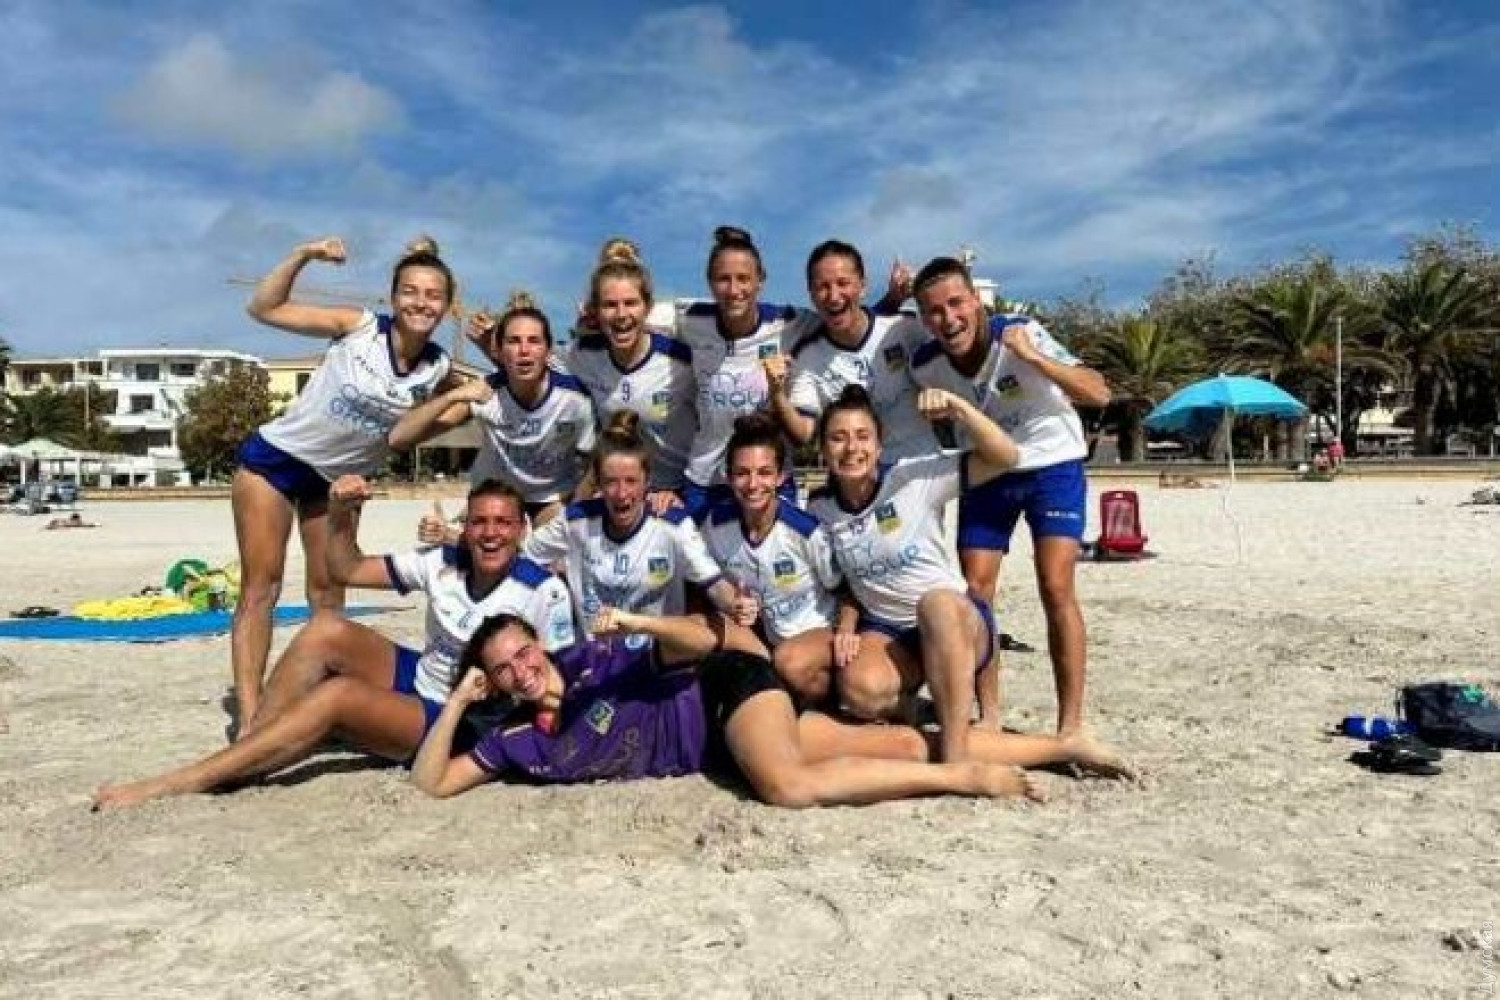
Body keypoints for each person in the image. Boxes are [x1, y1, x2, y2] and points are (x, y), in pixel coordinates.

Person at [91, 476, 577, 809]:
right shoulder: (443, 561)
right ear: (465, 527)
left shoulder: (542, 592)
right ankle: (251, 748)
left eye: (503, 523)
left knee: (337, 697)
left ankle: (192, 778)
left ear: (521, 530)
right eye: (480, 522)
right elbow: (346, 569)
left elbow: (563, 679)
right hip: (423, 673)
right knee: (325, 627)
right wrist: (343, 515)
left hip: (460, 715)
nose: (490, 534)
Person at [411, 609, 1130, 806]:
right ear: (493, 681)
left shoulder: (591, 660)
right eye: (503, 668)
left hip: (728, 691)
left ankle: (962, 777)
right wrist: (457, 702)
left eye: (523, 651)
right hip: (723, 747)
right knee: (902, 745)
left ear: (539, 643)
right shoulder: (515, 741)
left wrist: (639, 623)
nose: (522, 669)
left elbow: (705, 640)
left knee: (787, 788)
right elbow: (431, 783)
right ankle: (1063, 747)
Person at [230, 235, 456, 728]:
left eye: (433, 295)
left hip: (335, 482)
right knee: (262, 588)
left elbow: (445, 414)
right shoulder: (359, 327)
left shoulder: (439, 366)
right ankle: (249, 719)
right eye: (410, 292)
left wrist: (453, 403)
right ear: (393, 298)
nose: (421, 303)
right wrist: (304, 254)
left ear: (446, 306)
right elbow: (263, 308)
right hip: (276, 462)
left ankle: (312, 707)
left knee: (329, 594)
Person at [910, 257, 1110, 736]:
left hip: (1052, 464)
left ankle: (1070, 726)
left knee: (1056, 586)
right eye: (935, 311)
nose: (949, 318)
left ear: (976, 302)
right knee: (976, 592)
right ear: (924, 320)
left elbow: (1099, 393)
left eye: (956, 303)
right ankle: (990, 717)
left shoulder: (1018, 332)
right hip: (989, 470)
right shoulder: (925, 366)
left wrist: (1034, 357)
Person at [807, 384, 1020, 765]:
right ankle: (917, 709)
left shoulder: (914, 478)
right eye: (838, 438)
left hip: (955, 623)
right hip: (890, 632)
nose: (852, 448)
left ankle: (955, 751)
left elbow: (1006, 456)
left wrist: (959, 408)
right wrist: (847, 625)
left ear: (880, 445)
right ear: (822, 450)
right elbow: (842, 582)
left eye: (862, 436)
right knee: (859, 690)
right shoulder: (820, 508)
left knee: (935, 604)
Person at [521, 412, 753, 637]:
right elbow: (524, 557)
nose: (622, 493)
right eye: (611, 482)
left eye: (631, 481)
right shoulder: (575, 521)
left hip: (656, 651)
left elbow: (713, 583)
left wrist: (735, 604)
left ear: (647, 481)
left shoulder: (674, 525)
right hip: (595, 652)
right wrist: (552, 593)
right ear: (598, 483)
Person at [390, 291, 596, 527]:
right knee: (483, 542)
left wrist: (575, 506)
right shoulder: (485, 394)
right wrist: (453, 396)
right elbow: (400, 438)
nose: (524, 350)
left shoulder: (576, 399)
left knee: (556, 543)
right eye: (514, 341)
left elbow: (594, 463)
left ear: (549, 351)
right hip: (496, 496)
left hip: (551, 498)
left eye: (534, 341)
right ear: (498, 350)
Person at [701, 413, 849, 706]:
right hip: (764, 636)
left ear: (781, 477)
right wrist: (730, 602)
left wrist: (846, 633)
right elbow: (707, 581)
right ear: (728, 477)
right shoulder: (715, 525)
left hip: (818, 634)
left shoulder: (805, 530)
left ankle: (829, 703)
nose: (753, 483)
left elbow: (845, 590)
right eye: (742, 473)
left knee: (786, 665)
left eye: (764, 472)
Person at [766, 240, 938, 465]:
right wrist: (777, 394)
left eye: (843, 283)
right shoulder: (807, 358)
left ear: (862, 286)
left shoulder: (904, 328)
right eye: (822, 286)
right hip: (861, 478)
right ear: (811, 294)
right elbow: (807, 433)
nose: (833, 296)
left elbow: (955, 359)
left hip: (923, 470)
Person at [567, 239, 696, 510]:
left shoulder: (681, 362)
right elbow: (531, 370)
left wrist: (686, 492)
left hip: (677, 493)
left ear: (647, 307)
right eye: (610, 305)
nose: (621, 314)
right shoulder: (582, 355)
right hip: (619, 492)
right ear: (595, 311)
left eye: (630, 303)